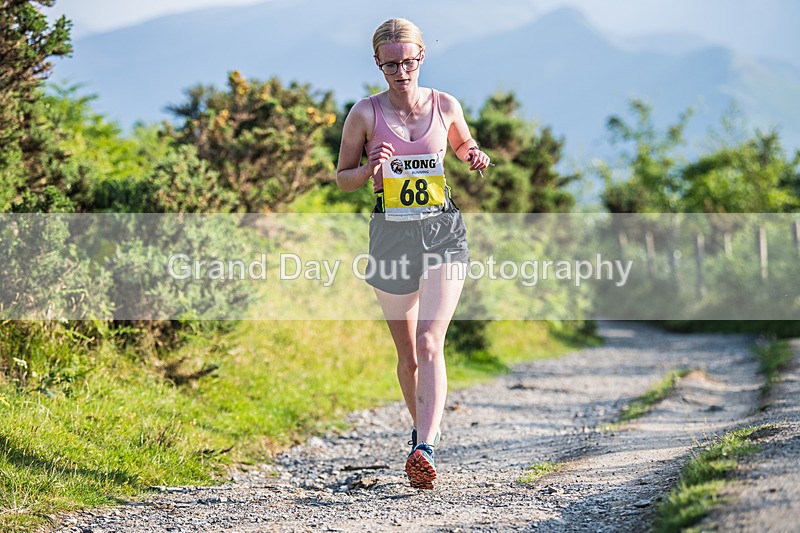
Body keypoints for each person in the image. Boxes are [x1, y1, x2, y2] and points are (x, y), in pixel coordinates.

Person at [336, 18, 490, 490]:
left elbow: (463, 143)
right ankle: (421, 430)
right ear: (378, 65)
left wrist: (474, 155)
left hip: (442, 231)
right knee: (408, 355)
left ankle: (425, 446)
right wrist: (370, 172)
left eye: (408, 62)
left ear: (421, 58)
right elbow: (343, 175)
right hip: (390, 233)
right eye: (390, 65)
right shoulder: (364, 114)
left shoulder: (445, 105)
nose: (401, 72)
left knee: (429, 341)